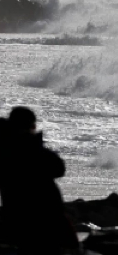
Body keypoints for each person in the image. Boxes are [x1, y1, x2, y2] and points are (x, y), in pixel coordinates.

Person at [0, 106, 79, 254]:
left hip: (18, 218)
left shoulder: (7, 147)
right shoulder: (25, 149)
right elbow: (58, 168)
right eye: (32, 126)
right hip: (41, 220)